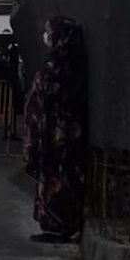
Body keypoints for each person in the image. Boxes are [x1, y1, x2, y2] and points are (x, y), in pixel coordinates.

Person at [23, 17, 88, 244]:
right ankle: (61, 225)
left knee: (57, 178)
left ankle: (57, 226)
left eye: (49, 33)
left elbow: (46, 102)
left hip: (55, 135)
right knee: (62, 177)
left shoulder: (57, 68)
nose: (46, 37)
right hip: (62, 135)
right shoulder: (70, 64)